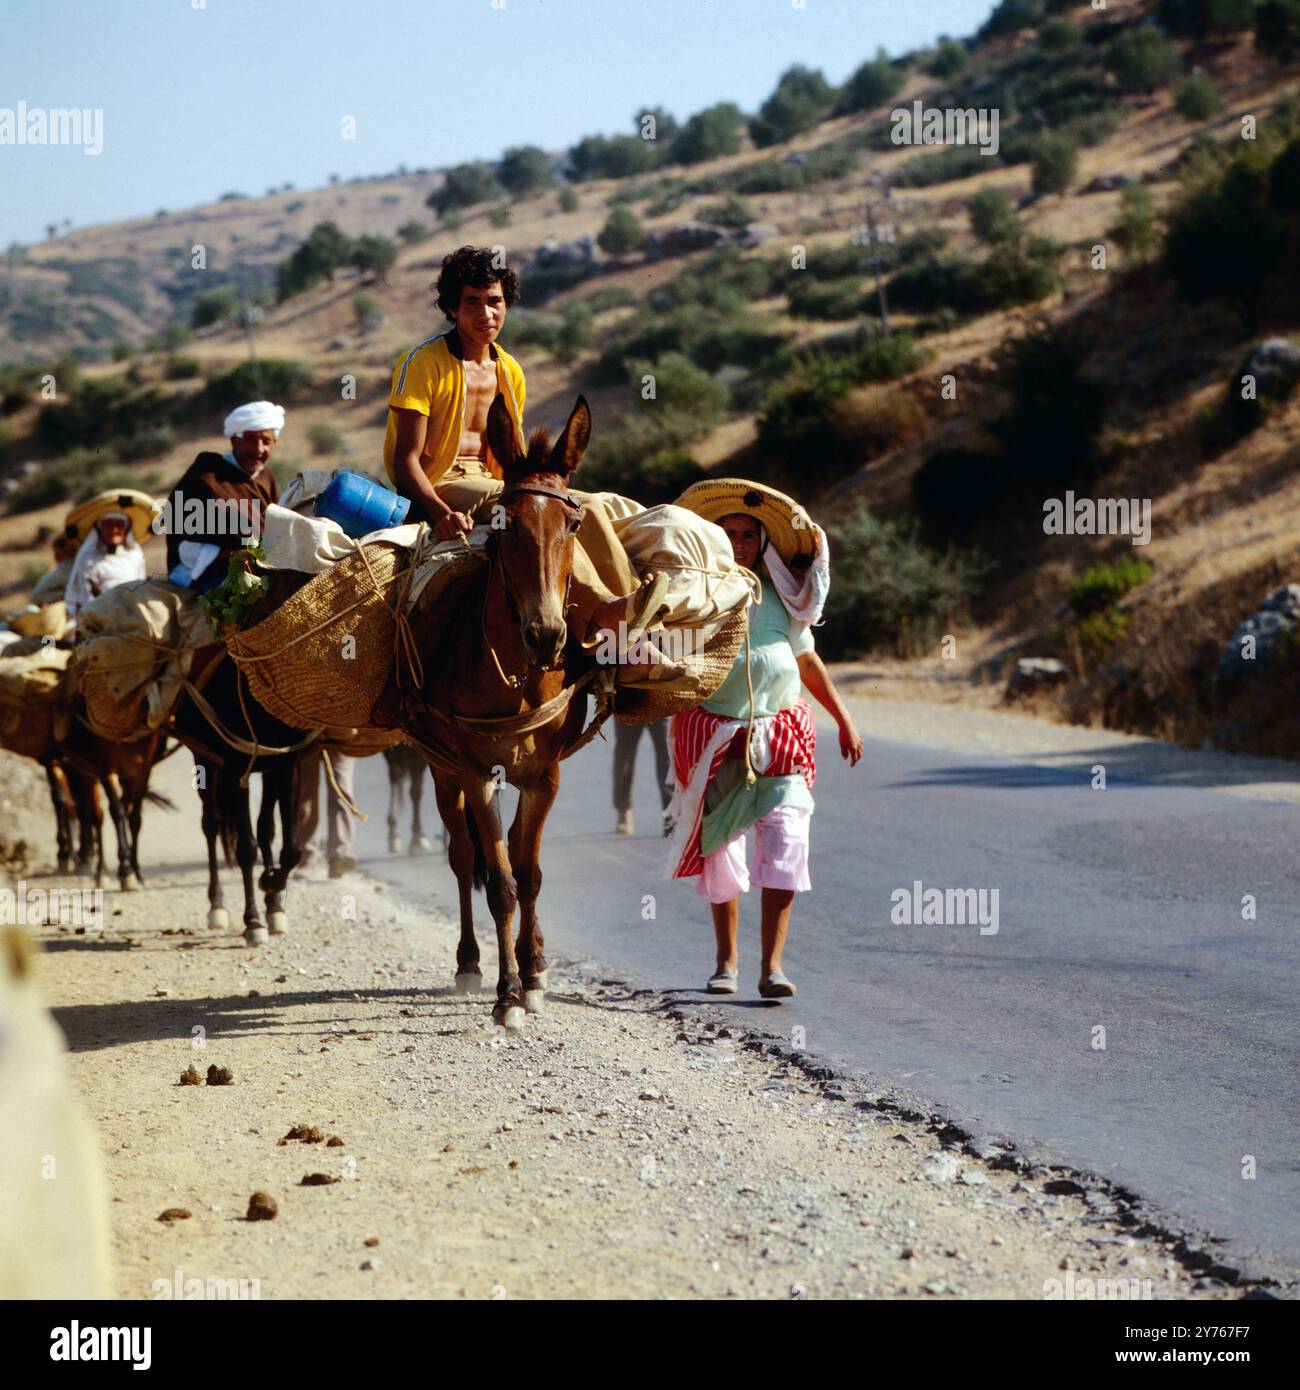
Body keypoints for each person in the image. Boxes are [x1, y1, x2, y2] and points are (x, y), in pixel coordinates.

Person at [668, 480, 863, 1000]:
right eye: (728, 534)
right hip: (717, 736)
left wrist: (843, 718)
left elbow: (805, 660)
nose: (738, 543)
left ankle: (772, 968)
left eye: (747, 535)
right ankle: (725, 963)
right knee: (722, 850)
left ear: (762, 542)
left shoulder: (781, 594)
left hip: (782, 732)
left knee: (785, 842)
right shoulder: (696, 596)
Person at [383, 245, 637, 641]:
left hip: (494, 483)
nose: (486, 314)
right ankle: (612, 617)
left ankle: (631, 609)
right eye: (472, 303)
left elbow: (509, 456)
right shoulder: (422, 363)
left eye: (494, 302)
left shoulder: (510, 369)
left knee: (583, 506)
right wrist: (439, 512)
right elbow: (406, 462)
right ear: (452, 308)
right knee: (559, 511)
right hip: (442, 484)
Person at [163, 401, 284, 592]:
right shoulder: (205, 477)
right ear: (234, 440)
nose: (259, 449)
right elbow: (186, 549)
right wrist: (240, 555)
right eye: (251, 439)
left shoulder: (266, 477)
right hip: (205, 574)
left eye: (266, 441)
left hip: (258, 567)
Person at [65, 512, 147, 619]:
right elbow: (87, 599)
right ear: (99, 529)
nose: (114, 530)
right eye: (109, 525)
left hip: (134, 618)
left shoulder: (135, 555)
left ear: (126, 528)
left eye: (119, 524)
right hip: (100, 620)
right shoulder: (88, 558)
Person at [295, 746, 357, 878]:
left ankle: (338, 855)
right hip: (309, 730)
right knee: (305, 790)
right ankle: (307, 854)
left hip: (342, 731)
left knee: (341, 788)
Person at [613, 719, 672, 837]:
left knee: (667, 754)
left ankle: (670, 816)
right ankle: (624, 809)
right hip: (628, 703)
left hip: (660, 704)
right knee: (625, 754)